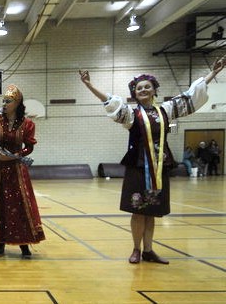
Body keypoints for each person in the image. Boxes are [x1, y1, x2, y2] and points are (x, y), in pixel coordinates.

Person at [79, 53, 226, 265]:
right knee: (138, 211)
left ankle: (149, 250)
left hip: (160, 167)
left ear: (155, 89)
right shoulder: (131, 114)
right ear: (134, 94)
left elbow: (190, 96)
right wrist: (89, 85)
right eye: (139, 88)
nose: (143, 90)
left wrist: (213, 72)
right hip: (138, 167)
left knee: (151, 211)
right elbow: (109, 102)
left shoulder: (166, 110)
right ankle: (136, 249)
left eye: (147, 87)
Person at [0, 84, 46, 259]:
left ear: (17, 102)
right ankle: (0, 241)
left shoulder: (27, 124)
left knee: (21, 204)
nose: (4, 104)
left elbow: (29, 147)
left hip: (17, 170)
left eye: (8, 101)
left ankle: (24, 243)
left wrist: (15, 156)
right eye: (3, 101)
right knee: (0, 204)